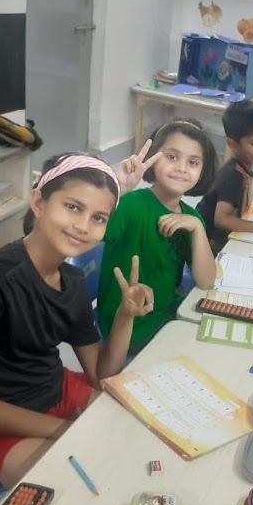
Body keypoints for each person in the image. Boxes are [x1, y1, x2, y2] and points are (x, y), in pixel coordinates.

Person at [0, 150, 157, 488]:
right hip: (0, 426)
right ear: (39, 203)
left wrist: (125, 315)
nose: (83, 226)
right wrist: (69, 430)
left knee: (133, 434)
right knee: (74, 483)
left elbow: (101, 374)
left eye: (98, 218)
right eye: (73, 207)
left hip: (56, 389)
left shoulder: (71, 282)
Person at [97, 119, 218, 352]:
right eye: (172, 157)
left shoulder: (191, 218)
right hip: (129, 325)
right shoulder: (130, 204)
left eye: (193, 162)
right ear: (152, 158)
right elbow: (90, 233)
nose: (182, 168)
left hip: (164, 313)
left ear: (203, 171)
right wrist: (118, 192)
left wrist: (197, 228)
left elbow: (206, 281)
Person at [197, 100, 253, 254]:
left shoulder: (244, 167)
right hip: (207, 245)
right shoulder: (232, 176)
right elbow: (222, 220)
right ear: (233, 145)